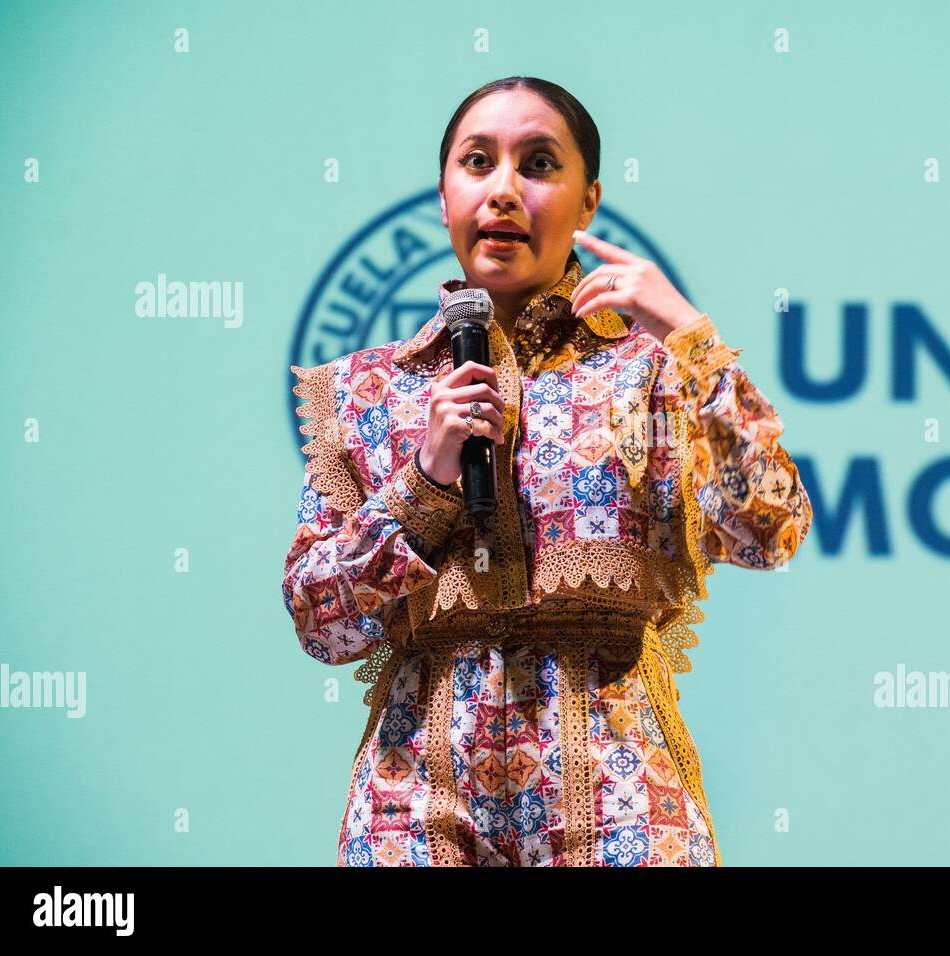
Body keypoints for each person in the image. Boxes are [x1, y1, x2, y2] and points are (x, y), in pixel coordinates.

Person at [282, 76, 813, 867]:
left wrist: (694, 339)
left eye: (537, 164)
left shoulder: (652, 376)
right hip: (412, 813)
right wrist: (424, 484)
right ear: (443, 195)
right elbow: (321, 622)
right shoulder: (366, 393)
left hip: (623, 805)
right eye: (477, 162)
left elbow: (769, 530)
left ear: (588, 201)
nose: (502, 190)